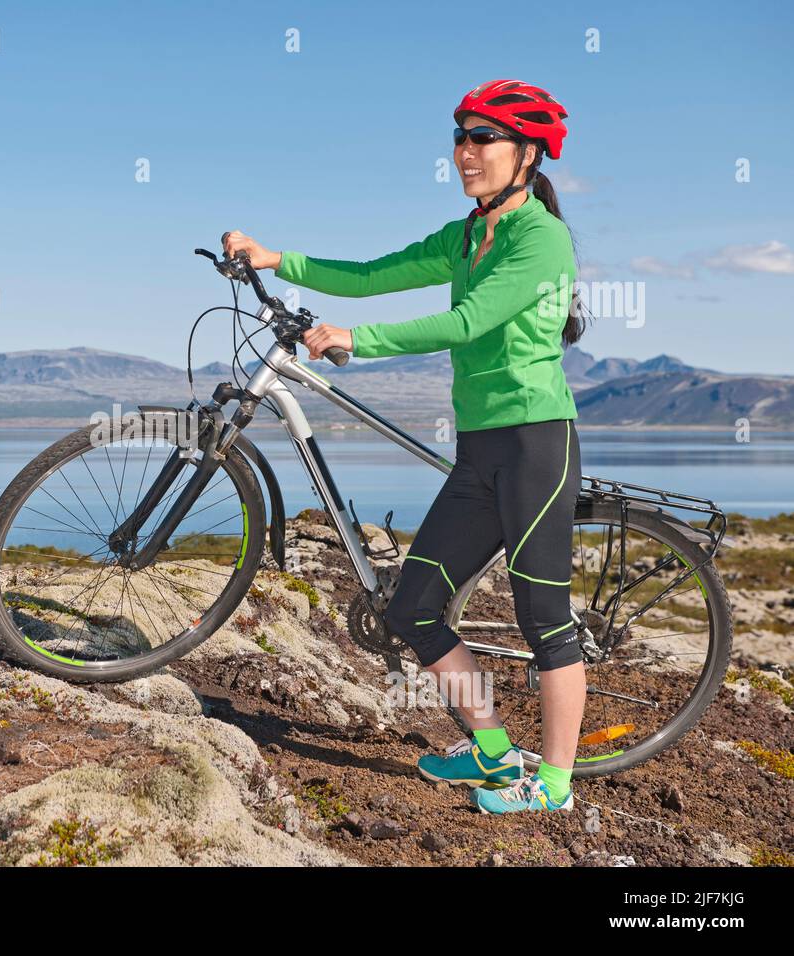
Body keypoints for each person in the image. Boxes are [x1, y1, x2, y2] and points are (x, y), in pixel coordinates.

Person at [223, 79, 589, 813]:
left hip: (535, 444)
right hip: (482, 448)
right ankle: (492, 751)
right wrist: (276, 258)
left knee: (544, 619)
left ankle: (553, 787)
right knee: (412, 608)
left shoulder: (540, 238)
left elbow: (468, 323)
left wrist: (359, 340)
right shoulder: (465, 234)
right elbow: (372, 275)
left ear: (526, 153)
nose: (465, 152)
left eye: (483, 138)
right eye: (461, 138)